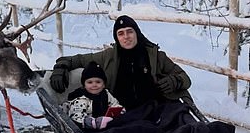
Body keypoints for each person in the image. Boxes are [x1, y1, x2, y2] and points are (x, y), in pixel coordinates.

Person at [50, 15, 194, 109]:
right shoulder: (108, 57)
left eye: (129, 31)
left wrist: (174, 81)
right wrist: (61, 67)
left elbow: (185, 78)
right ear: (116, 38)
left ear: (137, 33)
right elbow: (77, 60)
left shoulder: (155, 56)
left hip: (156, 109)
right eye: (121, 33)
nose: (126, 37)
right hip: (124, 113)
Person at [65, 61, 123, 130]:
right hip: (84, 125)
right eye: (90, 82)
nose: (94, 85)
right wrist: (94, 123)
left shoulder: (106, 94)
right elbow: (76, 117)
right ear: (84, 85)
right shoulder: (81, 99)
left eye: (98, 82)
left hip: (102, 122)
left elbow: (114, 104)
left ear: (104, 84)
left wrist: (119, 111)